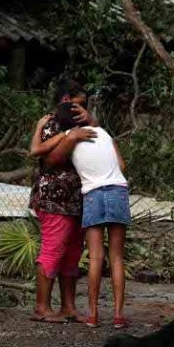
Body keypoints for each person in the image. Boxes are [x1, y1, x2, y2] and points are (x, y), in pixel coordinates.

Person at [44, 96, 131, 329]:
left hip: (92, 194)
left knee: (95, 257)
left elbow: (49, 158)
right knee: (116, 257)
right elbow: (122, 166)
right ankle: (119, 316)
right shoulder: (104, 133)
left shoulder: (68, 139)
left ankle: (92, 315)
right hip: (117, 191)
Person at [27, 79, 98, 323]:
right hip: (54, 198)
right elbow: (49, 160)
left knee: (72, 253)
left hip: (77, 198)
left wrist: (87, 122)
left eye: (84, 106)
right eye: (79, 104)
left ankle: (68, 307)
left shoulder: (81, 123)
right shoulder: (52, 123)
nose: (81, 109)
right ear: (66, 100)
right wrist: (71, 137)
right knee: (53, 250)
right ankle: (42, 308)